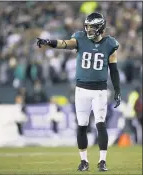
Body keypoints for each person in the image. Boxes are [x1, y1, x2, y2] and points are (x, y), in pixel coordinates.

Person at [37, 12, 121, 172]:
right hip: (81, 90)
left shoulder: (110, 44)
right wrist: (49, 42)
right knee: (82, 125)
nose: (88, 30)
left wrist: (117, 89)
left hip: (100, 91)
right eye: (87, 26)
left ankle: (102, 161)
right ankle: (84, 161)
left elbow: (114, 70)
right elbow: (64, 44)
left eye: (92, 27)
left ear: (100, 27)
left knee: (100, 124)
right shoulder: (80, 38)